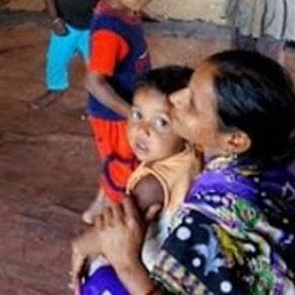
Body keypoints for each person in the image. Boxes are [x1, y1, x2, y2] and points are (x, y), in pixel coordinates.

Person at [89, 50, 295, 295]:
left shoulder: (207, 222)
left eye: (191, 103)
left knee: (101, 283)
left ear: (234, 141)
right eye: (188, 87)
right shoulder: (274, 166)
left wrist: (127, 265)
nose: (175, 98)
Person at [72, 66, 200, 294]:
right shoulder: (191, 154)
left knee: (95, 272)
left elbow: (112, 231)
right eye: (137, 114)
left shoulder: (151, 184)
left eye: (161, 122)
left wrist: (80, 246)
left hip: (149, 272)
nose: (142, 130)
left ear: (186, 127)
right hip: (180, 263)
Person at [82, 0, 160, 223]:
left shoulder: (124, 8)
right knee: (123, 165)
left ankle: (100, 204)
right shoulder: (108, 33)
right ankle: (115, 222)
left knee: (119, 163)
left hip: (127, 109)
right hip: (113, 115)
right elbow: (94, 81)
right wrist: (131, 114)